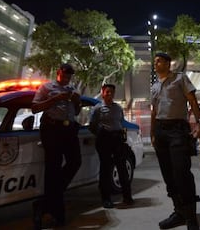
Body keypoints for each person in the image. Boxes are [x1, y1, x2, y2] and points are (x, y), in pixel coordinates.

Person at [150, 52, 200, 230]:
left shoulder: (180, 79)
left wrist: (199, 123)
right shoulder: (155, 86)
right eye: (155, 61)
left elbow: (192, 101)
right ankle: (178, 212)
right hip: (160, 130)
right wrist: (152, 133)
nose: (156, 63)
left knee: (182, 172)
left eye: (159, 61)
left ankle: (191, 217)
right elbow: (154, 111)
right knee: (168, 175)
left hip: (178, 130)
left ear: (168, 63)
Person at [31, 63, 82, 229]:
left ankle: (47, 201)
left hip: (69, 129)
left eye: (70, 75)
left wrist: (77, 101)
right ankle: (57, 214)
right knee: (52, 169)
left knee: (75, 161)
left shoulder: (72, 88)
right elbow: (35, 108)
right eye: (65, 74)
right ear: (58, 72)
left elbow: (76, 112)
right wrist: (56, 99)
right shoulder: (46, 87)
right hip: (52, 129)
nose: (67, 77)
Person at [89, 83, 134, 209]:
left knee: (122, 168)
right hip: (104, 140)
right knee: (106, 170)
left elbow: (121, 123)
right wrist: (101, 134)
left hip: (117, 139)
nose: (110, 94)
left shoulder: (118, 108)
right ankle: (106, 199)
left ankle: (127, 197)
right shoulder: (97, 108)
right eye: (107, 92)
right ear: (102, 93)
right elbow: (92, 126)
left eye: (112, 92)